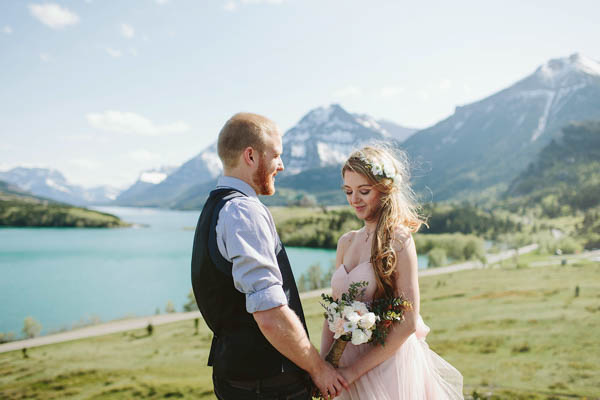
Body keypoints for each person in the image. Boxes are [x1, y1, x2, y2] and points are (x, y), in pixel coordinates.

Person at [191, 112, 348, 400]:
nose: (282, 165)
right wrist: (318, 369)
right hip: (268, 385)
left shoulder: (215, 205)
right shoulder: (243, 211)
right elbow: (269, 312)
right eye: (276, 155)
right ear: (250, 156)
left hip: (238, 378)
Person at [320, 145, 464, 399]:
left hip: (386, 368)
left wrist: (353, 373)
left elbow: (408, 322)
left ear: (385, 189)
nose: (354, 199)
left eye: (364, 191)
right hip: (343, 367)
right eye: (348, 191)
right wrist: (324, 366)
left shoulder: (398, 240)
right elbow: (333, 310)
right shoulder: (346, 242)